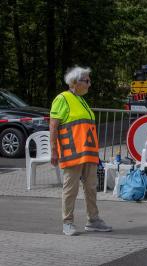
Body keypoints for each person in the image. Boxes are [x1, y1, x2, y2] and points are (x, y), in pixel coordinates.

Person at [50, 66, 112, 236]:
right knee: (71, 188)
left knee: (91, 187)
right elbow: (53, 126)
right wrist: (53, 150)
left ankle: (93, 220)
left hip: (88, 154)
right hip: (73, 153)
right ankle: (67, 222)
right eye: (86, 81)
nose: (89, 84)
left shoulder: (81, 100)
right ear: (75, 82)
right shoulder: (62, 98)